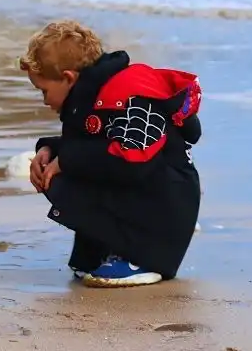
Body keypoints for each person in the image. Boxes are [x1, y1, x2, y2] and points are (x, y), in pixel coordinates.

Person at [21, 20, 203, 288]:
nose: (45, 100)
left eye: (44, 90)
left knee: (73, 169)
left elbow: (132, 159)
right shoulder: (88, 96)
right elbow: (92, 143)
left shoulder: (129, 95)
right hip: (143, 189)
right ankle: (101, 251)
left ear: (69, 78)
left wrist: (67, 160)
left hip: (165, 207)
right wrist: (50, 150)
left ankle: (139, 258)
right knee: (57, 171)